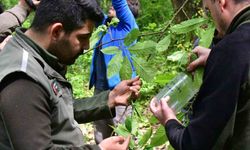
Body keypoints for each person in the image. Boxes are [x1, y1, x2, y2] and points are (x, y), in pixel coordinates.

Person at [0, 0, 141, 149]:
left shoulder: (37, 58)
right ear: (56, 31)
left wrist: (109, 99)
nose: (87, 46)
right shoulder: (23, 78)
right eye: (83, 37)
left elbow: (57, 109)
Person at [150, 0, 250, 149]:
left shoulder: (230, 51)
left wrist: (169, 121)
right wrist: (214, 57)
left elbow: (195, 144)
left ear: (222, 3)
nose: (212, 20)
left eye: (209, 11)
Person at [89, 0, 140, 144]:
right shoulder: (105, 24)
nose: (111, 6)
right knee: (100, 134)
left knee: (123, 135)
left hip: (121, 90)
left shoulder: (128, 26)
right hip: (101, 90)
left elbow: (118, 3)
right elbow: (91, 7)